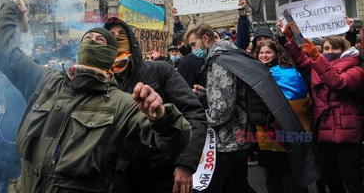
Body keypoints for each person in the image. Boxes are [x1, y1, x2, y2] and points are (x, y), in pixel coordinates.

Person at [0, 0, 191, 193]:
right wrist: (10, 10)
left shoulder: (120, 103)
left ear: (110, 54)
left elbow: (174, 142)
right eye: (87, 39)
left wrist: (161, 117)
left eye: (100, 40)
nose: (92, 41)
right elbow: (1, 51)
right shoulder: (45, 81)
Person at [103, 17, 206, 193]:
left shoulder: (160, 70)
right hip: (122, 175)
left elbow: (195, 114)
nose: (117, 38)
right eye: (112, 35)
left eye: (122, 34)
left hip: (163, 171)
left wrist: (186, 163)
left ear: (132, 40)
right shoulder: (105, 82)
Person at [283, 29, 364, 193]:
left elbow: (338, 83)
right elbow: (302, 58)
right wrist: (293, 38)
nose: (330, 52)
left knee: (353, 181)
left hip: (347, 134)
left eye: (334, 48)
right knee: (333, 180)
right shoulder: (318, 66)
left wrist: (317, 58)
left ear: (344, 49)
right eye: (326, 48)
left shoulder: (356, 69)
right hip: (324, 133)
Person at [187, 22, 256, 193]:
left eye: (193, 44)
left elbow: (223, 110)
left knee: (209, 187)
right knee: (239, 186)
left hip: (228, 139)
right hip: (240, 135)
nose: (192, 50)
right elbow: (230, 93)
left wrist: (199, 120)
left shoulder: (219, 61)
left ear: (205, 39)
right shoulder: (227, 54)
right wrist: (206, 93)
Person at [255, 39, 311, 193]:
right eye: (261, 52)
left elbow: (298, 105)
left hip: (287, 136)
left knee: (291, 181)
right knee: (272, 181)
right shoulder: (255, 72)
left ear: (276, 54)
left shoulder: (288, 73)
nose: (264, 55)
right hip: (265, 136)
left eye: (268, 52)